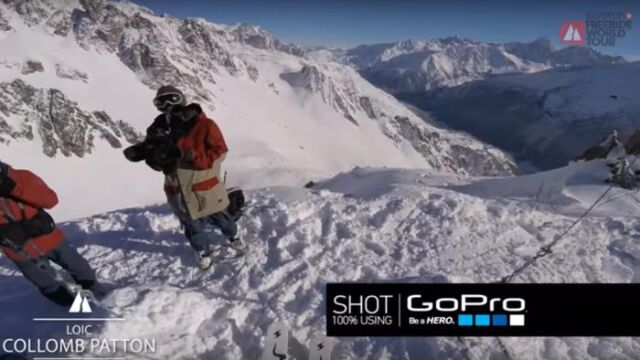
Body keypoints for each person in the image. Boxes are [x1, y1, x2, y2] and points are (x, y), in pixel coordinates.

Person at [132, 85, 241, 269]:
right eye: (161, 101)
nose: (167, 104)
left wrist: (191, 155)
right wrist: (151, 156)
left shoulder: (204, 124)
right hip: (177, 190)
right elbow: (158, 166)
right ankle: (202, 251)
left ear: (181, 98)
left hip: (205, 186)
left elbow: (220, 152)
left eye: (172, 99)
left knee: (222, 218)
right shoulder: (156, 130)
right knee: (191, 226)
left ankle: (233, 236)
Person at [0, 161, 101, 307]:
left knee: (81, 271)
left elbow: (50, 200)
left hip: (49, 238)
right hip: (19, 250)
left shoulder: (21, 176)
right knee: (49, 285)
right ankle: (70, 309)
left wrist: (15, 188)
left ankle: (98, 294)